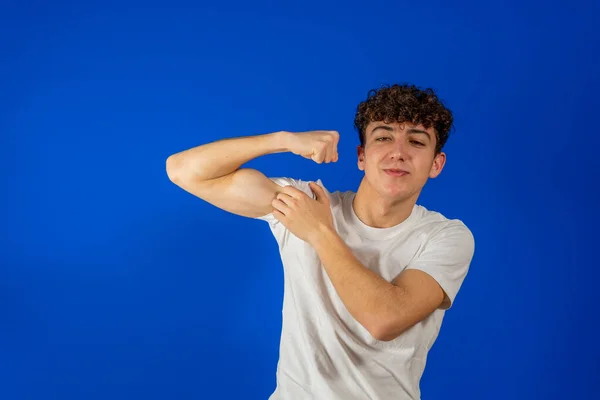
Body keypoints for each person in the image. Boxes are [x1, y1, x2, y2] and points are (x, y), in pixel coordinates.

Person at [166, 83, 475, 399]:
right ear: (361, 157)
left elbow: (384, 319)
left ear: (436, 164)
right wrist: (282, 141)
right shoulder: (305, 201)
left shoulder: (445, 236)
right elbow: (183, 171)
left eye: (416, 141)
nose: (398, 152)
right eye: (383, 137)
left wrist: (318, 232)